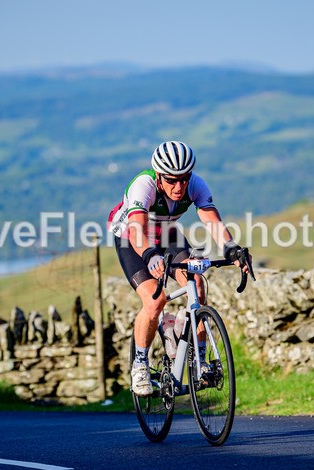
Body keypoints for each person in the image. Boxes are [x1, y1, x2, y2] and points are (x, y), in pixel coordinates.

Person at [107, 140, 250, 397]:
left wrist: (232, 249)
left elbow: (212, 220)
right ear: (159, 176)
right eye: (172, 180)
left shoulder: (195, 184)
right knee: (155, 299)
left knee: (196, 284)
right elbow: (137, 229)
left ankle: (200, 360)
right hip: (132, 237)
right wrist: (150, 255)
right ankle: (140, 364)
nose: (179, 186)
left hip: (168, 234)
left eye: (184, 179)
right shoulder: (143, 185)